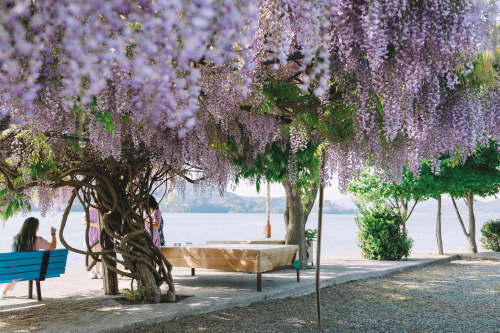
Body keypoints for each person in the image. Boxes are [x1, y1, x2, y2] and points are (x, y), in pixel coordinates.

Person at [1, 217, 57, 299]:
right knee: (24, 268)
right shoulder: (38, 240)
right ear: (35, 228)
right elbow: (53, 246)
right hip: (35, 271)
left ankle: (4, 291)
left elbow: (15, 256)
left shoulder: (16, 239)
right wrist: (53, 234)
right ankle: (6, 289)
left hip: (18, 270)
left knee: (15, 270)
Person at [81, 206, 102, 279]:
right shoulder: (89, 210)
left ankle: (97, 270)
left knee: (98, 253)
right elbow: (83, 222)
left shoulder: (101, 210)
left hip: (99, 233)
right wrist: (94, 224)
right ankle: (91, 271)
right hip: (90, 233)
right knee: (90, 253)